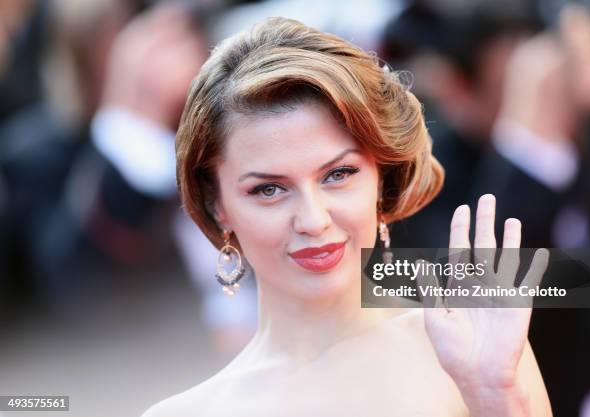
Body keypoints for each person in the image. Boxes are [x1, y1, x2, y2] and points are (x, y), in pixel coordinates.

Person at [142, 17, 552, 416]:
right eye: (268, 189)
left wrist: (498, 400)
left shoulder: (473, 353)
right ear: (218, 205)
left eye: (338, 174)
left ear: (380, 178)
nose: (313, 219)